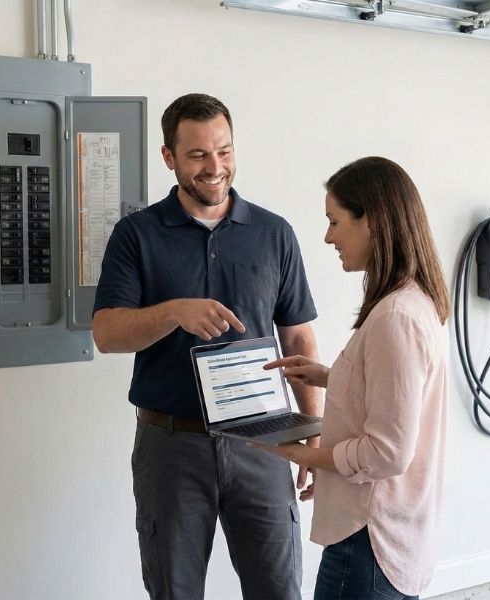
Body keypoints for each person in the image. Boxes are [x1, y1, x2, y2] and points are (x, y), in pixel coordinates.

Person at [92, 93, 322, 600]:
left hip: (263, 443)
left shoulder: (274, 233)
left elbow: (299, 337)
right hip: (172, 448)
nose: (214, 167)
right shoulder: (136, 235)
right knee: (175, 591)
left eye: (224, 151)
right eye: (197, 155)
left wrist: (311, 435)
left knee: (279, 591)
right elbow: (107, 333)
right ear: (169, 157)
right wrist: (173, 312)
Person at [253, 156, 450, 600]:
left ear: (373, 222)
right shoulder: (411, 303)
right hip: (386, 536)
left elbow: (386, 453)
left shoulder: (395, 317)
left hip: (368, 542)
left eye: (335, 221)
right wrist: (330, 378)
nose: (328, 237)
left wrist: (298, 453)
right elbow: (394, 399)